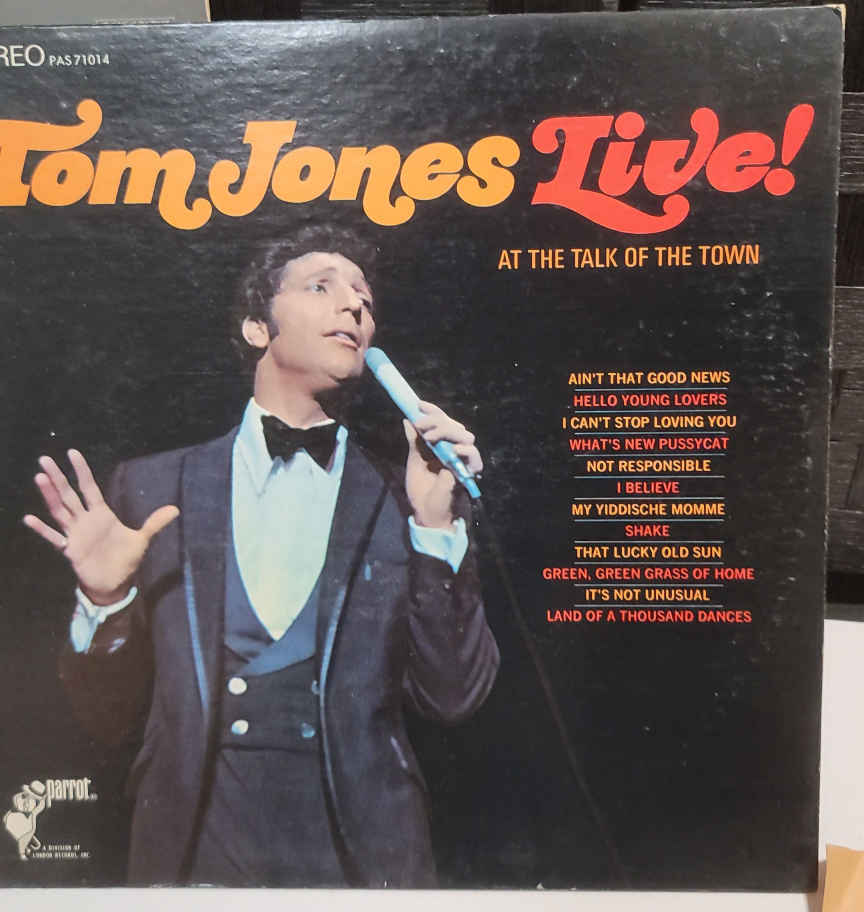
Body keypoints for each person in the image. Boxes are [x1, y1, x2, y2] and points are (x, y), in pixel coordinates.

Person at [23, 226, 499, 887]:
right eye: (322, 287)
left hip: (363, 865)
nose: (355, 305)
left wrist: (435, 526)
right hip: (196, 857)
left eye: (364, 298)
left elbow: (453, 698)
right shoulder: (152, 487)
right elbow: (104, 719)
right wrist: (105, 603)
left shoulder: (413, 497)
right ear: (256, 327)